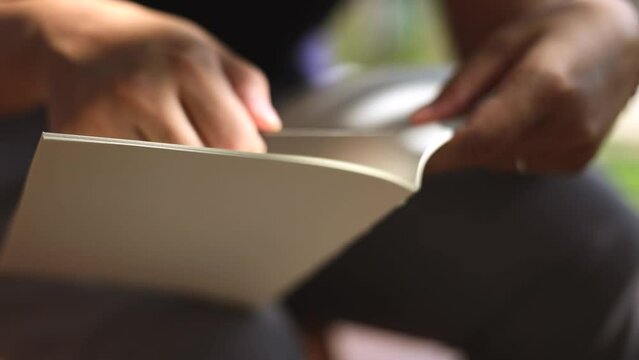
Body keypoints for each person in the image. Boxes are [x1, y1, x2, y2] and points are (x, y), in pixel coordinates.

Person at [0, 0, 638, 359]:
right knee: (222, 348)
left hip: (276, 112)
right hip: (20, 121)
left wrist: (595, 23)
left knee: (599, 256)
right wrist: (49, 31)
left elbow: (507, 22)